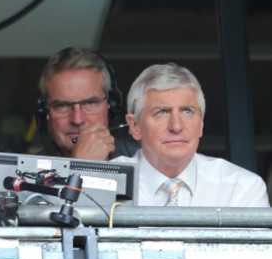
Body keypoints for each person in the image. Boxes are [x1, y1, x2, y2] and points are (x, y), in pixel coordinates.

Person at [113, 63, 269, 207]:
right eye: (161, 112)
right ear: (135, 126)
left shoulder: (241, 188)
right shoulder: (104, 184)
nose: (176, 126)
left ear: (201, 123)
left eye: (187, 111)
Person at [37, 46, 139, 160]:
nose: (77, 120)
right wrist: (81, 165)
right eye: (62, 105)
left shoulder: (152, 164)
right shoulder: (21, 174)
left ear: (111, 105)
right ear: (44, 111)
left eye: (90, 103)